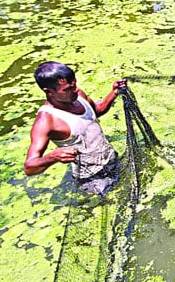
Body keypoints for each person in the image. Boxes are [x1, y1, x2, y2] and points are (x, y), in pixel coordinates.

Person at [24, 61, 127, 196]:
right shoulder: (46, 121)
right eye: (66, 89)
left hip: (111, 159)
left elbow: (95, 111)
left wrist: (113, 93)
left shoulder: (78, 95)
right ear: (49, 92)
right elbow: (30, 167)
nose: (74, 91)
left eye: (74, 85)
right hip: (92, 178)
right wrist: (53, 157)